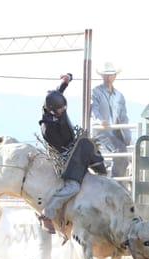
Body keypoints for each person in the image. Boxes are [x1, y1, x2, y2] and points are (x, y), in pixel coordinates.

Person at [38, 73, 107, 233]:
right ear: (52, 110)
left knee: (91, 147)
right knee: (73, 186)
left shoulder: (53, 101)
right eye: (60, 108)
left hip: (72, 144)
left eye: (64, 107)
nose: (63, 110)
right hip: (63, 155)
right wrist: (78, 157)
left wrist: (66, 79)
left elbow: (58, 91)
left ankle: (103, 176)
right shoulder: (48, 128)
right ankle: (47, 214)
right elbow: (61, 148)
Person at [91, 62, 131, 182]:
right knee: (119, 151)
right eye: (106, 75)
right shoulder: (96, 92)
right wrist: (99, 121)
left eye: (110, 75)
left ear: (115, 76)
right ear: (102, 76)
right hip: (102, 131)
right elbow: (94, 110)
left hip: (116, 130)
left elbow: (123, 116)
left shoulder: (119, 95)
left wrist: (127, 135)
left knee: (123, 155)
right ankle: (115, 182)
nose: (108, 77)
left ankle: (118, 181)